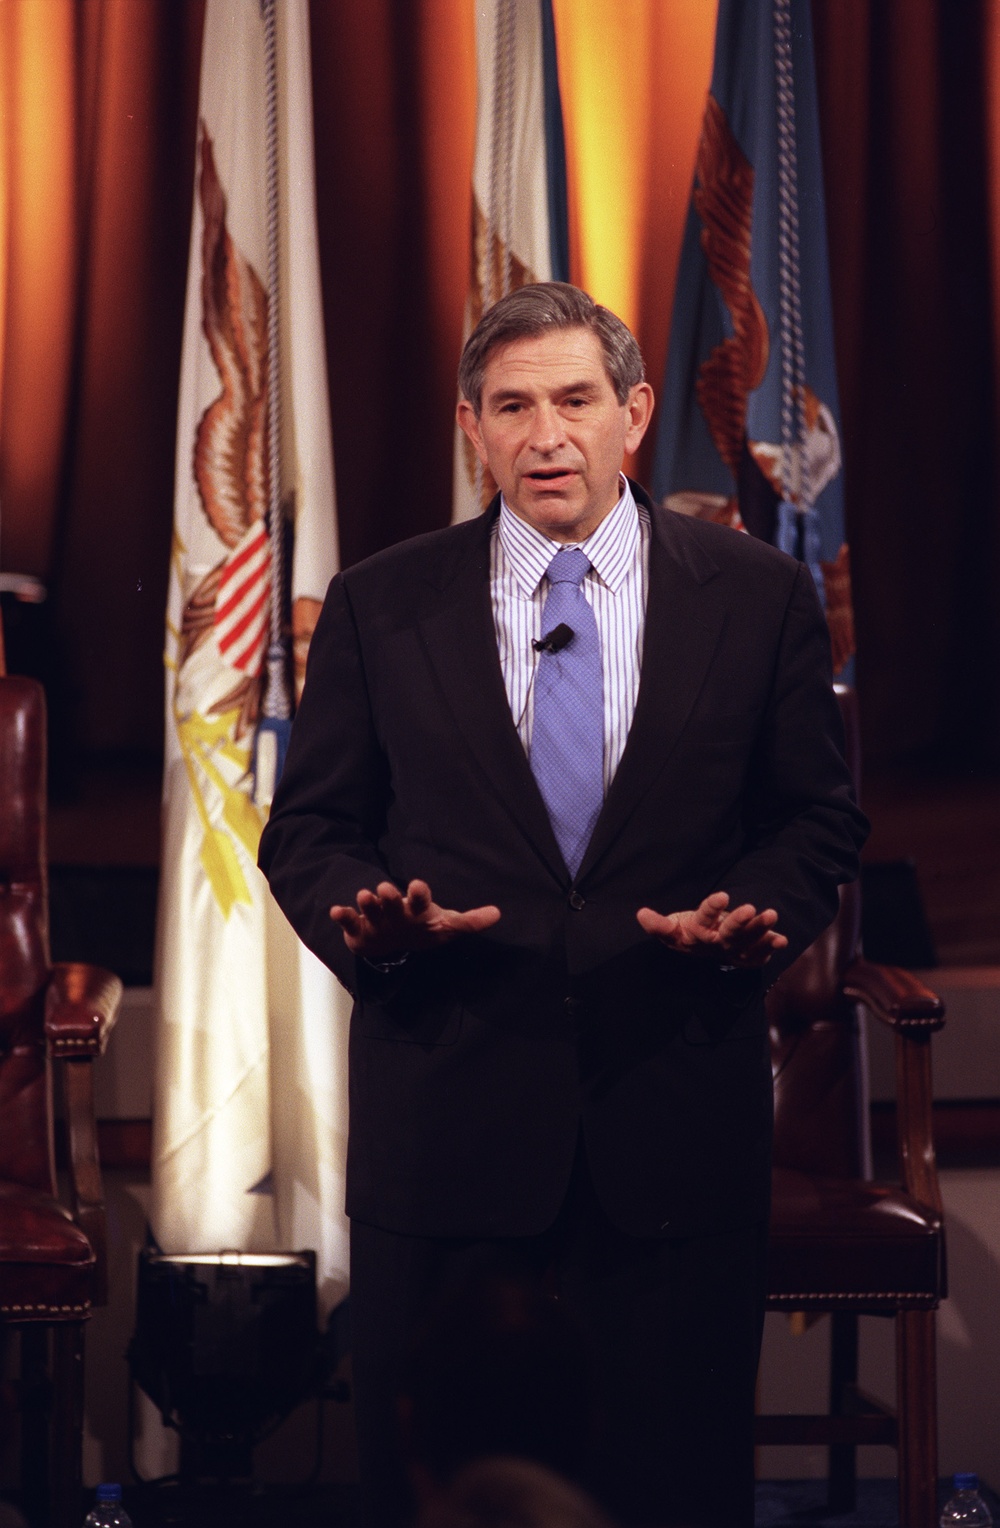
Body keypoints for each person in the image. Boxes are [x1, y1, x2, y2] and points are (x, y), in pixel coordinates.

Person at [258, 282, 868, 1527]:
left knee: (670, 1487)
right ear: (471, 427)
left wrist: (743, 916)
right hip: (450, 1121)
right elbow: (310, 829)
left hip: (671, 1118)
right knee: (441, 1492)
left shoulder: (757, 597)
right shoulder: (381, 601)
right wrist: (373, 918)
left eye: (576, 401)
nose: (547, 437)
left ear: (633, 414)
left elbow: (816, 819)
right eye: (513, 407)